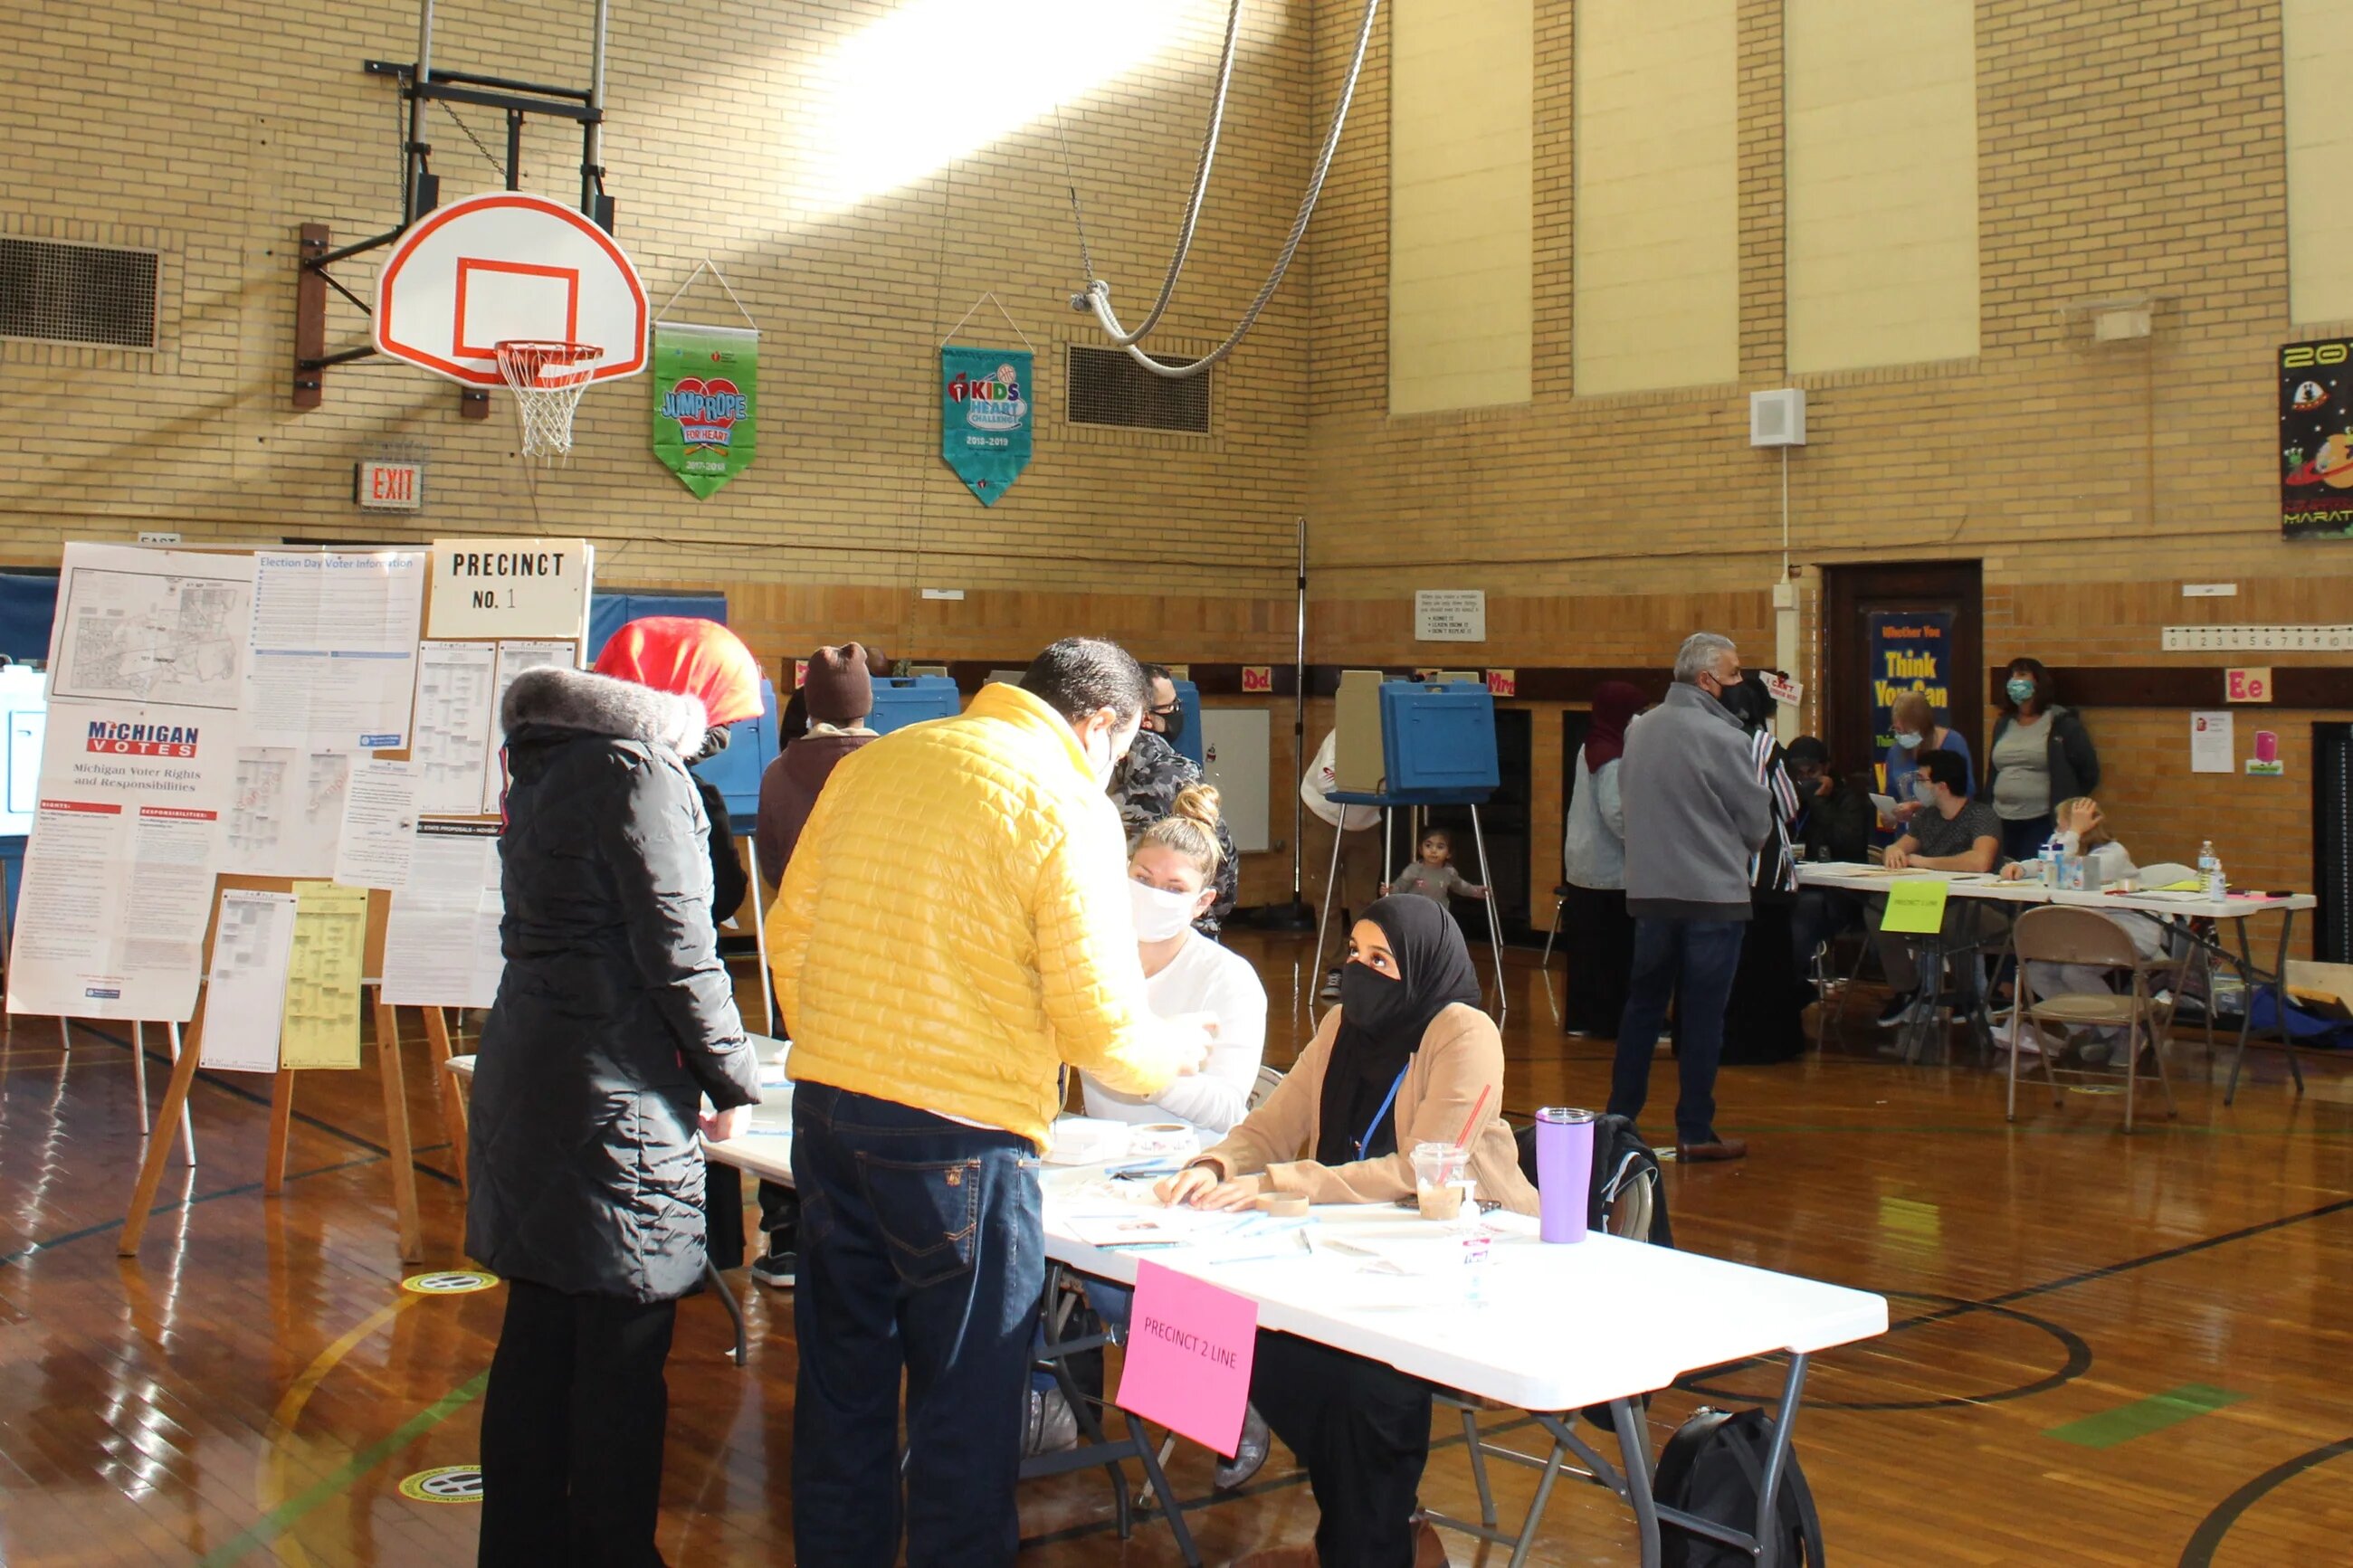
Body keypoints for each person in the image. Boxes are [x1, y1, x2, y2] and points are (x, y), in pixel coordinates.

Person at [767, 637, 1213, 1568]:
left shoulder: (877, 761)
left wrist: (848, 1045)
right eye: (1125, 744)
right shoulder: (1066, 802)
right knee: (965, 1412)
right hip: (961, 1138)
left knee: (841, 1393)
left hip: (830, 1112)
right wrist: (1171, 1052)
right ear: (1100, 723)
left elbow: (789, 933)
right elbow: (1098, 1026)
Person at [467, 637, 764, 1568]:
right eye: (719, 717)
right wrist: (732, 1077)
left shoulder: (546, 757)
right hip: (615, 1094)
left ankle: (519, 1548)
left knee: (538, 1338)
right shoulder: (639, 771)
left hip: (537, 1069)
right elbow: (681, 950)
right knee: (621, 1357)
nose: (717, 738)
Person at [1157, 896, 1536, 1568]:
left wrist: (1282, 1183)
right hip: (1345, 1245)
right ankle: (1380, 1534)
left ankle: (1369, 1541)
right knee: (1232, 1325)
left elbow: (1422, 1167)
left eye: (1381, 959)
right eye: (1354, 954)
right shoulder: (1341, 1023)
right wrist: (1217, 1163)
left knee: (1367, 1386)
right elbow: (1272, 1125)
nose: (1359, 970)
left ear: (1421, 964)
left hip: (1455, 1248)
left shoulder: (1463, 1031)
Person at [590, 620, 763, 1276]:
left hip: (575, 1055)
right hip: (635, 1067)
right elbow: (682, 948)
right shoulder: (658, 787)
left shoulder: (553, 771)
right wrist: (731, 1080)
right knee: (641, 1279)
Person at [744, 644, 878, 1291]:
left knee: (800, 1087)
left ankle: (788, 1234)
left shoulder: (778, 772)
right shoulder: (894, 765)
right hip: (880, 954)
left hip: (801, 951)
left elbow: (772, 864)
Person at [1608, 633, 1771, 1162]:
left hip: (1651, 892)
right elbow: (1757, 825)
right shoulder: (1726, 738)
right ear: (1707, 680)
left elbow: (1625, 800)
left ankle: (1619, 1121)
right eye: (1734, 672)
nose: (1740, 681)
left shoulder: (1639, 728)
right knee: (1702, 1017)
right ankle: (1695, 1130)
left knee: (1642, 1009)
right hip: (1712, 897)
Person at [1081, 785, 1267, 1139]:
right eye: (1143, 879)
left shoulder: (1230, 979)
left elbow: (1227, 1109)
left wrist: (1145, 1068)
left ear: (1202, 902)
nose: (1154, 895)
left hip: (1195, 1160)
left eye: (1174, 888)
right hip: (1103, 1156)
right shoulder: (1093, 960)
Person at [1996, 795, 2168, 1062]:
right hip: (2087, 938)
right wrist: (2020, 867)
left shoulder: (2113, 855)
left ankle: (2125, 1032)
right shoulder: (2069, 848)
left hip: (2129, 935)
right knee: (2037, 971)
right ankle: (2090, 1029)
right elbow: (2046, 863)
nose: (2058, 833)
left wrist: (2074, 832)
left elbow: (2063, 872)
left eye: (2062, 826)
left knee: (2074, 971)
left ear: (2084, 826)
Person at [1871, 747, 2004, 1027]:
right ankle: (1908, 989)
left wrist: (1925, 862)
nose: (1918, 787)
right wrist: (1893, 851)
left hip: (1981, 905)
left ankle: (1970, 995)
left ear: (1942, 786)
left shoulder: (1981, 815)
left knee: (1954, 921)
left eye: (1922, 780)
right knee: (1876, 910)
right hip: (1931, 900)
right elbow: (1901, 847)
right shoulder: (1926, 817)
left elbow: (1980, 861)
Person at [1717, 672, 1809, 1065]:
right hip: (1762, 871)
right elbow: (1788, 806)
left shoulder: (1705, 740)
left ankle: (1718, 1041)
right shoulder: (1763, 745)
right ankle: (1769, 1042)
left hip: (1714, 868)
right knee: (1766, 961)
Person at [1112, 665, 1240, 934]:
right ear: (1145, 717)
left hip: (1111, 927)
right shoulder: (1180, 774)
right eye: (1170, 707)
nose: (1177, 712)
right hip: (1179, 931)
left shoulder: (1088, 768)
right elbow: (1223, 875)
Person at [1560, 681, 1643, 1036]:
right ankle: (1612, 1021)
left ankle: (1583, 1020)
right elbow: (1616, 813)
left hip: (1585, 863)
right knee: (1614, 950)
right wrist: (1646, 844)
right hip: (1608, 868)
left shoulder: (1591, 745)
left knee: (1588, 950)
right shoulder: (1612, 757)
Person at [1986, 656, 2100, 863]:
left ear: (2038, 681)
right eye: (2011, 676)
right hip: (2002, 817)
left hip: (2042, 819)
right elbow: (1994, 770)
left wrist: (2066, 797)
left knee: (2036, 870)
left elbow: (2088, 771)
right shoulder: (2004, 724)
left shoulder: (2061, 723)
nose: (2015, 680)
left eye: (2022, 674)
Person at [1785, 735, 1873, 974]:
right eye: (1798, 774)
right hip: (1796, 885)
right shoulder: (1789, 800)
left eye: (1811, 772)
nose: (1805, 779)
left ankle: (1794, 982)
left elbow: (1848, 844)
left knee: (1805, 908)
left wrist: (1818, 802)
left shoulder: (1849, 800)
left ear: (1826, 769)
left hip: (1840, 894)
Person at [1882, 689, 1973, 827]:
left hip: (1946, 831)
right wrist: (1890, 816)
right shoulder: (1895, 751)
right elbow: (1892, 794)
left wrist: (1917, 807)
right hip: (1907, 834)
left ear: (1923, 725)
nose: (1903, 736)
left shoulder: (1953, 743)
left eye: (1908, 731)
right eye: (1898, 731)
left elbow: (1965, 793)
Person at [1383, 827, 1488, 906]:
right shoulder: (1414, 869)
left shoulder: (1449, 872)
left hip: (1439, 914)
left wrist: (1477, 891)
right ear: (1420, 849)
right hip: (1414, 912)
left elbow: (1461, 887)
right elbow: (1401, 885)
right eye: (1428, 845)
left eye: (1440, 847)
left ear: (1449, 853)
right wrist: (1390, 890)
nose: (1433, 851)